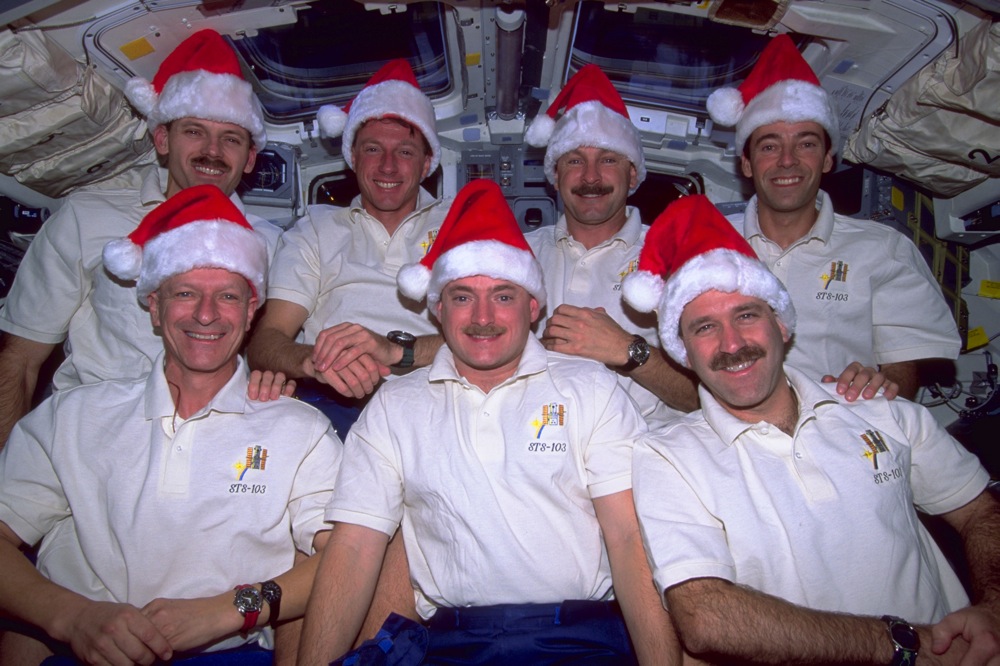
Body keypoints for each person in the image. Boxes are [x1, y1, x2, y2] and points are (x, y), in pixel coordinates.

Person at [297, 179, 677, 666]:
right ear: (437, 310)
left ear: (533, 307)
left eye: (502, 296)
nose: (482, 318)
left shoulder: (590, 388)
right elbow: (352, 549)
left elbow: (628, 539)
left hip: (580, 639)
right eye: (461, 297)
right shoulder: (395, 406)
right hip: (448, 643)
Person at [621, 194, 1000, 665]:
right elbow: (706, 617)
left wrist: (995, 608)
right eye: (704, 328)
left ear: (782, 325)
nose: (732, 344)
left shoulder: (880, 410)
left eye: (746, 316)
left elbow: (981, 512)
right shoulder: (666, 456)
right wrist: (904, 645)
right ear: (683, 353)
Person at [0, 185, 341, 665]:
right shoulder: (71, 417)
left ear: (250, 313)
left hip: (231, 652)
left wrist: (231, 609)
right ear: (154, 308)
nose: (206, 314)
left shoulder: (299, 431)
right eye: (185, 293)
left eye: (226, 296)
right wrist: (73, 617)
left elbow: (343, 556)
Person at [0, 28, 282, 445]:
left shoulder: (271, 244)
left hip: (210, 445)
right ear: (163, 139)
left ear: (249, 158)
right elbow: (20, 360)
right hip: (89, 437)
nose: (212, 150)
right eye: (194, 131)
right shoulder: (87, 216)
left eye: (231, 138)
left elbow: (271, 354)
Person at [706, 33, 961, 399]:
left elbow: (902, 369)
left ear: (828, 158)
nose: (787, 160)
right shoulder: (707, 246)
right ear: (746, 163)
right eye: (769, 145)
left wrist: (881, 387)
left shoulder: (883, 249)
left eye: (806, 143)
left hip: (840, 431)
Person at [248, 58, 448, 436]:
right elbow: (266, 341)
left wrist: (398, 351)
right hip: (332, 405)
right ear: (353, 158)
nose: (388, 167)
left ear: (427, 164)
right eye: (373, 149)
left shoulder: (461, 225)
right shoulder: (317, 228)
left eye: (405, 152)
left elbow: (492, 336)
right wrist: (317, 363)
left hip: (436, 407)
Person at [523, 64, 699, 423]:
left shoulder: (681, 257)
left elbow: (702, 396)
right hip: (536, 445)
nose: (590, 177)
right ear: (554, 177)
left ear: (633, 174)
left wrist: (627, 350)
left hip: (645, 452)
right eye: (575, 161)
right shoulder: (517, 255)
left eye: (607, 160)